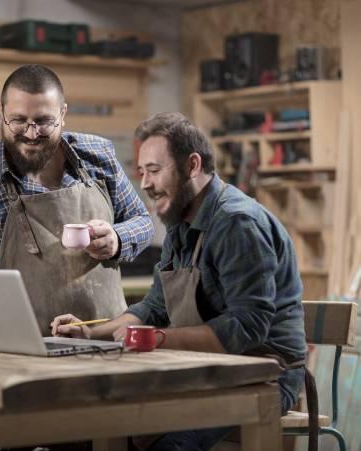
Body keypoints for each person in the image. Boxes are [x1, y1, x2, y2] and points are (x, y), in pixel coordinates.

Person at [52, 112, 308, 451]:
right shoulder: (181, 224)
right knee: (88, 429)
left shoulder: (237, 224)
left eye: (155, 171)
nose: (144, 183)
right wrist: (89, 333)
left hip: (265, 376)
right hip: (210, 369)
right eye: (142, 172)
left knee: (167, 445)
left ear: (192, 166)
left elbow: (247, 327)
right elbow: (155, 307)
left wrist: (157, 339)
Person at [0, 64, 154, 333]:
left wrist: (118, 239)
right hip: (17, 343)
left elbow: (142, 222)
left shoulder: (99, 157)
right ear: (1, 114)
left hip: (104, 338)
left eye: (44, 121)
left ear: (63, 113)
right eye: (19, 120)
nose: (31, 133)